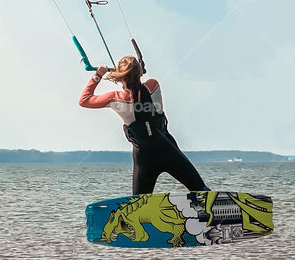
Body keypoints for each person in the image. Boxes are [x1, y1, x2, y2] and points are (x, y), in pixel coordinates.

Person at [78, 55, 209, 195]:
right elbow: (140, 85)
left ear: (121, 76)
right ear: (140, 72)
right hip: (168, 150)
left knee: (139, 203)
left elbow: (84, 100)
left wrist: (98, 75)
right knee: (201, 189)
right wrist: (136, 71)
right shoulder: (153, 85)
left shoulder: (115, 98)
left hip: (144, 158)